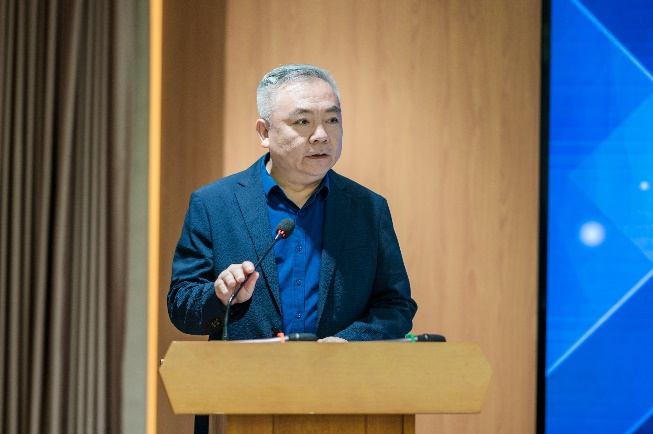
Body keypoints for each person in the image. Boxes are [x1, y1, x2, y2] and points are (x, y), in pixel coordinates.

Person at [168, 64, 417, 344]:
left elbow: (396, 306)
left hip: (338, 370)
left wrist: (350, 343)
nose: (321, 135)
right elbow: (181, 305)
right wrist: (220, 297)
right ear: (265, 132)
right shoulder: (214, 204)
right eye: (302, 121)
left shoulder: (369, 209)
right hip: (246, 371)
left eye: (332, 120)